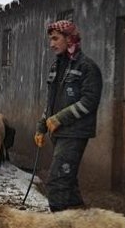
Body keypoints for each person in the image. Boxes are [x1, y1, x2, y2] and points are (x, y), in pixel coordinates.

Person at [34, 20, 103, 212]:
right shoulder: (56, 67)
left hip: (74, 133)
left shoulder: (87, 68)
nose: (51, 44)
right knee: (68, 184)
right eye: (50, 39)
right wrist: (41, 126)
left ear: (70, 39)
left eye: (56, 39)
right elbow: (51, 102)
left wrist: (59, 118)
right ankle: (81, 226)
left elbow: (89, 101)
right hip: (59, 133)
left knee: (56, 184)